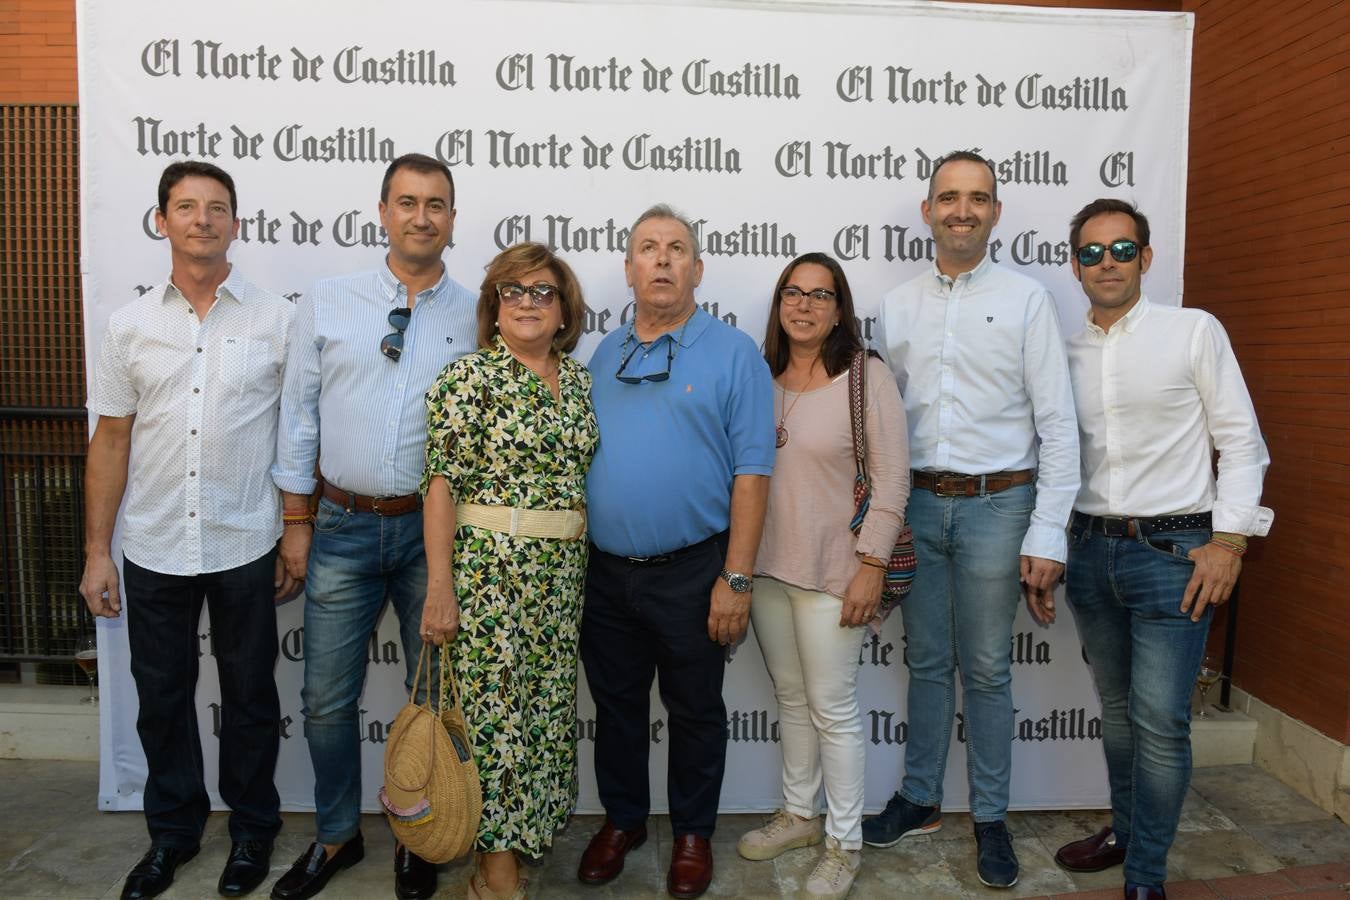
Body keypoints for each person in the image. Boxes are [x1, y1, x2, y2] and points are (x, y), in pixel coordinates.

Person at [79, 160, 295, 900]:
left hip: (244, 541)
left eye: (217, 208)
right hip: (156, 545)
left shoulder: (276, 318)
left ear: (236, 223)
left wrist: (295, 529)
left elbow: (297, 435)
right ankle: (172, 837)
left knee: (250, 699)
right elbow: (109, 442)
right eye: (186, 206)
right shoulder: (130, 325)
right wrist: (96, 553)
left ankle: (252, 834)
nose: (202, 219)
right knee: (163, 698)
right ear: (160, 220)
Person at [865, 150, 1079, 889]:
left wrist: (1048, 532)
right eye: (948, 197)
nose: (962, 209)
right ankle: (920, 799)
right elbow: (881, 423)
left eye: (977, 198)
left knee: (986, 670)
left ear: (995, 212)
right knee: (925, 663)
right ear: (927, 211)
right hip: (918, 504)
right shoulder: (894, 308)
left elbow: (1057, 422)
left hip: (1000, 506)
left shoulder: (1026, 301)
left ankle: (990, 816)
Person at [1047, 199, 1272, 900]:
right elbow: (1054, 454)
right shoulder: (1061, 347)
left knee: (1161, 722)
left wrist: (1229, 541)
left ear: (1145, 258)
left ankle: (1146, 874)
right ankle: (1123, 831)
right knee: (1116, 711)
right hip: (1089, 549)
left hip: (1174, 553)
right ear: (1074, 263)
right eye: (1090, 252)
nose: (1105, 263)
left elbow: (1240, 440)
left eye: (1120, 250)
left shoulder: (1192, 331)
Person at [269, 153, 477, 900]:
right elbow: (297, 417)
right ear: (382, 211)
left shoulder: (478, 312)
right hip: (341, 526)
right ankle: (336, 835)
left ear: (454, 219)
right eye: (408, 201)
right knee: (326, 699)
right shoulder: (327, 300)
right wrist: (297, 523)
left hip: (432, 536)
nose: (422, 216)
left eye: (437, 204)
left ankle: (422, 835)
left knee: (432, 699)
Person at [577, 204, 775, 900]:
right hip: (605, 575)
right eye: (647, 249)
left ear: (698, 268)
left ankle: (692, 832)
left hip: (694, 571)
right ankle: (625, 822)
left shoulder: (733, 353)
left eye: (677, 249)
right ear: (628, 267)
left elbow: (753, 472)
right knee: (617, 706)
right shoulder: (602, 354)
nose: (662, 260)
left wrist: (737, 577)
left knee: (695, 710)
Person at [420, 242, 598, 900]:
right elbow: (439, 486)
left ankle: (525, 842)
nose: (528, 302)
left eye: (543, 292)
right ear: (493, 308)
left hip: (561, 578)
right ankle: (494, 874)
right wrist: (440, 588)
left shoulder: (579, 382)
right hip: (489, 577)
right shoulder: (467, 379)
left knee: (545, 717)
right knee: (495, 722)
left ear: (563, 311)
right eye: (513, 291)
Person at [736, 253, 909, 900]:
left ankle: (844, 844)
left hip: (836, 572)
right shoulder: (759, 376)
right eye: (793, 292)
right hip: (768, 569)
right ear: (780, 303)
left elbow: (894, 482)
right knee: (790, 697)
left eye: (820, 294)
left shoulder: (865, 378)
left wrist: (871, 566)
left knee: (833, 710)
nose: (804, 305)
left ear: (840, 309)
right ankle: (800, 816)